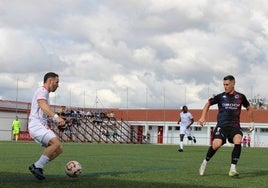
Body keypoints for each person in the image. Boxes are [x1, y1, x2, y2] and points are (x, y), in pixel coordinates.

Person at [198, 75, 254, 177]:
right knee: (216, 144)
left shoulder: (241, 97)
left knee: (238, 140)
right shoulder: (220, 97)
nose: (225, 86)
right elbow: (208, 104)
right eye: (224, 84)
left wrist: (251, 122)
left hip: (234, 127)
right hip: (222, 127)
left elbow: (249, 108)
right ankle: (205, 162)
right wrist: (202, 117)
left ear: (233, 84)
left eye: (227, 84)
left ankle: (233, 168)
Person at [28, 72, 66, 180]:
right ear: (50, 81)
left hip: (40, 125)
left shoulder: (45, 93)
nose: (58, 85)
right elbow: (42, 105)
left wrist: (56, 123)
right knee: (56, 143)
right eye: (57, 82)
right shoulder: (42, 91)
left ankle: (37, 166)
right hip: (37, 125)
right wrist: (56, 117)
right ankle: (37, 166)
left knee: (58, 149)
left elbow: (44, 111)